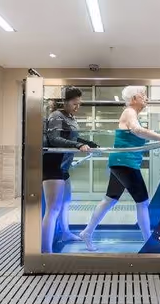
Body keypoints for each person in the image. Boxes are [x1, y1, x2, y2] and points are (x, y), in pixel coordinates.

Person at [79, 86, 160, 251]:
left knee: (109, 200)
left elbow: (138, 136)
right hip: (125, 163)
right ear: (133, 99)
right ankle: (149, 242)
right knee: (143, 202)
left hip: (121, 162)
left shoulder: (133, 114)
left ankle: (87, 232)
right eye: (143, 95)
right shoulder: (130, 112)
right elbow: (137, 130)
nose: (146, 98)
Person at [42, 86, 99, 253]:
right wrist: (78, 145)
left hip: (63, 166)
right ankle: (46, 252)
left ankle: (65, 233)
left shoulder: (70, 117)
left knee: (66, 202)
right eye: (75, 103)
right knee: (53, 209)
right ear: (63, 102)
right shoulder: (56, 116)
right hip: (53, 165)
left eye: (79, 103)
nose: (77, 107)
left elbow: (71, 136)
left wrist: (88, 142)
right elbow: (54, 139)